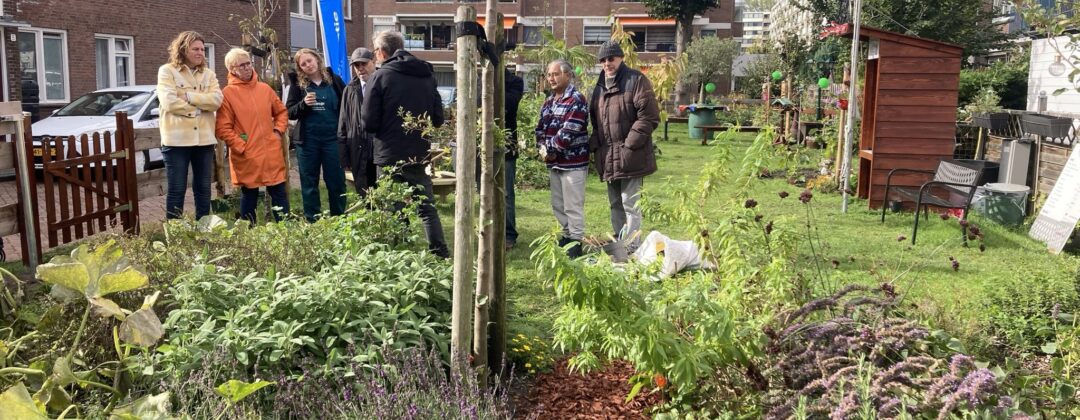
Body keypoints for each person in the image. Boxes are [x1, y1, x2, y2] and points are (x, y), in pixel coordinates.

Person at [362, 31, 450, 258]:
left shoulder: (380, 77)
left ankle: (398, 255)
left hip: (388, 153)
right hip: (418, 152)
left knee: (393, 206)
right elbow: (438, 119)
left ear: (381, 52)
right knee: (426, 207)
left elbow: (369, 121)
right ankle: (440, 253)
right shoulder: (427, 75)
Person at [589, 41, 660, 253]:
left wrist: (629, 145)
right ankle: (621, 245)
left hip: (631, 155)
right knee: (615, 204)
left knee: (631, 204)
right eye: (603, 60)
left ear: (620, 58)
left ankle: (633, 246)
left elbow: (648, 116)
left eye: (611, 58)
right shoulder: (600, 87)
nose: (607, 63)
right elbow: (596, 121)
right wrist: (594, 145)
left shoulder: (636, 80)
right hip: (608, 156)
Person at [215, 48, 290, 223]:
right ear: (232, 69)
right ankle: (249, 237)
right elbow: (222, 128)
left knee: (279, 193)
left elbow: (281, 112)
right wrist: (241, 146)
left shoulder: (265, 89)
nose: (248, 67)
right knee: (249, 196)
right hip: (248, 155)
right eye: (242, 65)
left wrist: (278, 132)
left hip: (270, 151)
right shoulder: (227, 94)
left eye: (249, 63)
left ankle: (286, 231)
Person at [156, 31, 222, 220]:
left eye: (202, 49)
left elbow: (217, 100)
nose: (200, 52)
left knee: (203, 188)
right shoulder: (167, 71)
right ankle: (176, 235)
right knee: (177, 189)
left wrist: (189, 97)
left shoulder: (209, 75)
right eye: (195, 49)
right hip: (177, 141)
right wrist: (199, 109)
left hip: (204, 140)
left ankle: (204, 229)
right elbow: (168, 102)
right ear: (183, 49)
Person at [536, 60, 590, 258]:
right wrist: (542, 148)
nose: (551, 78)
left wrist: (550, 150)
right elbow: (540, 128)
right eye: (549, 74)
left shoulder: (576, 99)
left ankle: (576, 241)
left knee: (573, 205)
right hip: (554, 163)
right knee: (558, 204)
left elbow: (569, 131)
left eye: (555, 74)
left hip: (573, 163)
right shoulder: (549, 101)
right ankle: (566, 236)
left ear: (567, 75)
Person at [286, 48, 346, 222]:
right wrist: (303, 104)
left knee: (336, 181)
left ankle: (339, 220)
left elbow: (346, 106)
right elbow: (289, 112)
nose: (308, 65)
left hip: (332, 140)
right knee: (309, 183)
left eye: (309, 60)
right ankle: (313, 221)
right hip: (307, 142)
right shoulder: (298, 85)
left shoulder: (334, 80)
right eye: (303, 64)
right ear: (300, 68)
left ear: (317, 60)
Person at [338, 47, 377, 196]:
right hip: (358, 150)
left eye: (364, 64)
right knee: (364, 193)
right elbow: (343, 123)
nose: (360, 68)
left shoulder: (384, 84)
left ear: (373, 62)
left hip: (379, 150)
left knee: (384, 194)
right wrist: (344, 156)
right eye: (356, 65)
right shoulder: (350, 89)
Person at [503, 65, 525, 249]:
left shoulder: (515, 82)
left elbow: (508, 106)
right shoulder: (480, 79)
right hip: (483, 146)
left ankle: (509, 234)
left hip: (507, 146)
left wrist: (495, 83)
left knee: (507, 193)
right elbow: (478, 102)